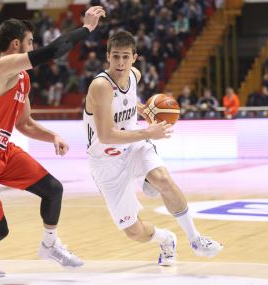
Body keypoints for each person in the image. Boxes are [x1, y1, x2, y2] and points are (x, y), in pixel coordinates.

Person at [0, 6, 105, 278]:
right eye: (31, 43)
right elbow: (54, 51)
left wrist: (52, 136)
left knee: (53, 189)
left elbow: (25, 124)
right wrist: (86, 29)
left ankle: (50, 245)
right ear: (16, 44)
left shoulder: (22, 79)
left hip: (2, 154)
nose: (34, 48)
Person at [83, 30, 222, 267]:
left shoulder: (134, 75)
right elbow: (106, 135)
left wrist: (143, 110)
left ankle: (195, 238)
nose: (120, 62)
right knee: (133, 230)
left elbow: (126, 101)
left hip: (134, 146)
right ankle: (166, 238)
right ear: (107, 57)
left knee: (163, 179)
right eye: (115, 56)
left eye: (125, 57)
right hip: (105, 160)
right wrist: (149, 131)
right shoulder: (100, 86)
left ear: (134, 58)